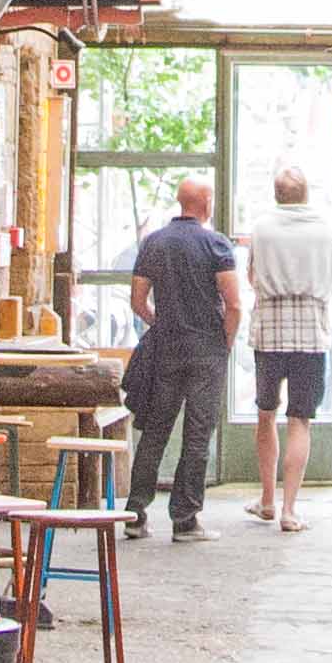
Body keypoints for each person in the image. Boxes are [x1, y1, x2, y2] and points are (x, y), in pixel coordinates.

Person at [122, 175, 243, 544]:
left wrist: (163, 322)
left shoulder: (154, 243)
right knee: (196, 432)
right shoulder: (216, 244)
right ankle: (185, 519)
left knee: (155, 430)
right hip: (206, 348)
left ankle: (135, 513)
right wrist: (225, 340)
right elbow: (235, 303)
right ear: (206, 203)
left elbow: (138, 301)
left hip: (167, 349)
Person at [240, 165, 332, 533]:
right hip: (311, 332)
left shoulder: (263, 228)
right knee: (300, 420)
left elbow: (251, 276)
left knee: (266, 413)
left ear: (276, 194)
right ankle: (290, 510)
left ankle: (266, 499)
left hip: (269, 329)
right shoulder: (324, 228)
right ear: (306, 193)